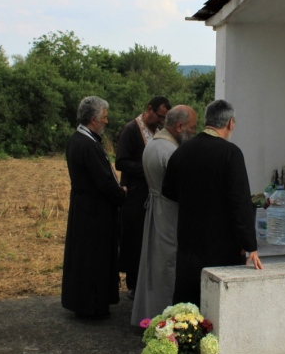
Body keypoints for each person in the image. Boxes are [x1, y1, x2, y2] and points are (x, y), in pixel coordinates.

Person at [162, 100, 263, 307]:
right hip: (221, 243)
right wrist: (250, 245)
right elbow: (240, 201)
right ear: (230, 123)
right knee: (217, 305)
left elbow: (169, 192)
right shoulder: (230, 153)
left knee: (189, 303)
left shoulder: (182, 151)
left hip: (188, 239)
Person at [130, 105, 197, 325]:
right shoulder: (169, 151)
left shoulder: (154, 143)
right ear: (179, 126)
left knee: (154, 265)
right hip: (168, 213)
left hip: (156, 209)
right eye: (192, 128)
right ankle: (165, 318)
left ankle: (149, 312)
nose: (194, 133)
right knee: (167, 266)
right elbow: (180, 188)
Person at [62, 96, 128, 318]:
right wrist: (121, 195)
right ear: (93, 119)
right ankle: (92, 305)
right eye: (104, 117)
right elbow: (104, 181)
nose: (106, 122)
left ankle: (84, 302)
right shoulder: (88, 145)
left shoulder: (77, 139)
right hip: (94, 210)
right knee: (93, 257)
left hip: (84, 206)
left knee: (83, 255)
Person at [115, 96, 171, 296]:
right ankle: (133, 285)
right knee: (134, 239)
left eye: (164, 119)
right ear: (149, 109)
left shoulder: (157, 132)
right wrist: (148, 169)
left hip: (150, 195)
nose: (160, 121)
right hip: (135, 195)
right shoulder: (131, 130)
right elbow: (121, 162)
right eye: (159, 116)